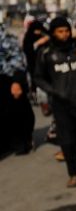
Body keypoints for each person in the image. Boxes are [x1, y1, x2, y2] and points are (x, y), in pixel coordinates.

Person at [34, 17, 76, 187]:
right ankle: (74, 172)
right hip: (62, 103)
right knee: (67, 140)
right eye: (60, 32)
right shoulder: (46, 53)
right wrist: (54, 91)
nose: (64, 35)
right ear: (53, 33)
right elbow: (38, 77)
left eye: (67, 31)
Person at [0, 24, 35, 156]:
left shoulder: (6, 38)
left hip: (8, 80)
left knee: (16, 114)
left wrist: (16, 82)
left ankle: (22, 141)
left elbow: (18, 59)